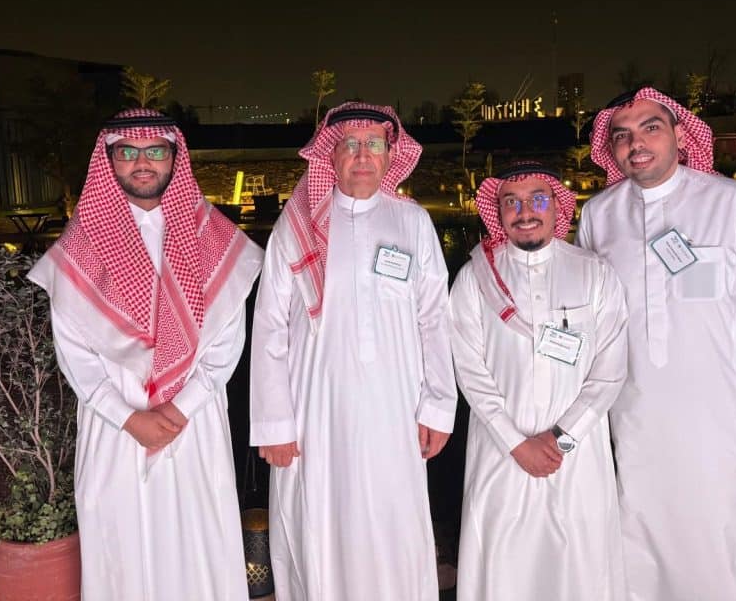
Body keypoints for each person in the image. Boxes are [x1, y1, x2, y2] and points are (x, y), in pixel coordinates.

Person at [577, 87, 736, 601]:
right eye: (622, 135)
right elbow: (588, 318)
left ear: (681, 134)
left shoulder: (731, 202)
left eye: (651, 128)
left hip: (727, 419)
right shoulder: (598, 215)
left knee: (734, 545)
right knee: (644, 541)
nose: (636, 144)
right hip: (636, 420)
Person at [29, 108, 263, 600]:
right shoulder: (82, 245)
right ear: (109, 159)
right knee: (122, 549)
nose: (142, 162)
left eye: (155, 151)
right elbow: (73, 351)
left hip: (193, 423)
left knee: (200, 545)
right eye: (128, 152)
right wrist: (129, 418)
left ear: (175, 157)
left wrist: (179, 409)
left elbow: (227, 342)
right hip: (115, 427)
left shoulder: (213, 238)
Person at [250, 101, 456, 601]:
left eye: (374, 144)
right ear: (331, 155)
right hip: (314, 413)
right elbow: (270, 324)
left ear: (390, 155)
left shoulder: (412, 222)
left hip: (396, 410)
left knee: (392, 520)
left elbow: (434, 318)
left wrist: (438, 406)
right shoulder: (298, 226)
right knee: (320, 522)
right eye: (350, 144)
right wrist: (274, 423)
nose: (363, 155)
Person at [449, 161, 629, 601]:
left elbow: (610, 369)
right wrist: (517, 443)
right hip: (500, 454)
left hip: (576, 458)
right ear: (498, 212)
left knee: (580, 568)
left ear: (557, 207)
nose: (525, 212)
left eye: (537, 200)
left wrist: (560, 440)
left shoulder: (595, 272)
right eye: (511, 202)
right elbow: (468, 370)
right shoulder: (475, 279)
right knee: (502, 569)